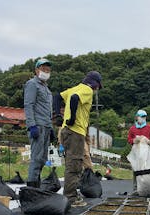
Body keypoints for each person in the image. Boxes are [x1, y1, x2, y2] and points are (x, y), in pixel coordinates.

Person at [53, 71, 103, 206]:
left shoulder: (75, 88)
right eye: (98, 87)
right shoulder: (87, 90)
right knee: (74, 164)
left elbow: (57, 97)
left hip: (66, 131)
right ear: (95, 84)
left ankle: (71, 193)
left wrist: (57, 115)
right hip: (75, 131)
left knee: (71, 163)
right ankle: (71, 197)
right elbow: (75, 98)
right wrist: (72, 119)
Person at [24, 58, 55, 187]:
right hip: (37, 126)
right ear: (36, 70)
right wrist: (32, 125)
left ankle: (36, 184)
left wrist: (51, 127)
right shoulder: (32, 84)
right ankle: (32, 187)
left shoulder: (47, 89)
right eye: (43, 69)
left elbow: (48, 110)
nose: (46, 72)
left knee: (43, 159)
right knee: (36, 158)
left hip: (46, 126)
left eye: (48, 70)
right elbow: (28, 105)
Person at [127, 109, 150, 196]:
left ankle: (147, 188)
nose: (142, 119)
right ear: (137, 117)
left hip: (147, 152)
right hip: (136, 152)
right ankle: (136, 188)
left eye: (144, 117)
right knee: (136, 169)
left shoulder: (149, 127)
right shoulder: (133, 128)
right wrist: (133, 140)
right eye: (141, 117)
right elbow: (129, 139)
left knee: (147, 169)